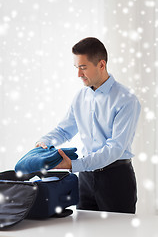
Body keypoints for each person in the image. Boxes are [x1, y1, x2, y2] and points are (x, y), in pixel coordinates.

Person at [35, 37, 141, 214]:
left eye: (83, 67)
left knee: (118, 233)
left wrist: (74, 164)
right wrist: (44, 141)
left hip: (115, 178)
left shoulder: (126, 100)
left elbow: (115, 148)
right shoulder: (80, 97)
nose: (78, 74)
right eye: (77, 68)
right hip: (85, 179)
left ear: (101, 65)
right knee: (84, 230)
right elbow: (64, 130)